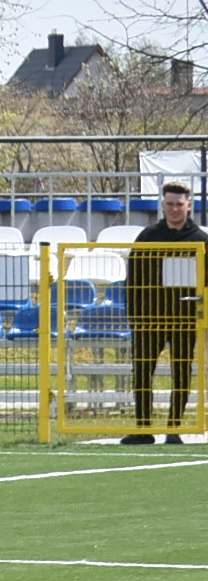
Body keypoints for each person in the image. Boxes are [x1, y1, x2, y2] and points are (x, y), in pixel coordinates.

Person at [123, 179, 201, 445]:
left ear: (189, 206)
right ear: (163, 205)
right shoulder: (148, 236)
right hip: (149, 319)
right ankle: (143, 428)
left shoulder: (201, 240)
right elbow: (132, 280)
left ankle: (173, 428)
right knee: (143, 372)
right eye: (169, 204)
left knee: (181, 373)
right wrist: (134, 316)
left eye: (179, 204)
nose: (174, 209)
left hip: (185, 320)